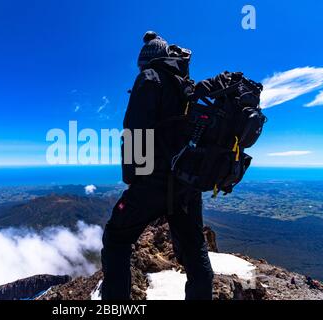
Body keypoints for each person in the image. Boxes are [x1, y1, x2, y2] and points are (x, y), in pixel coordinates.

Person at [101, 31, 214, 300]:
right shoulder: (185, 84)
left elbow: (134, 131)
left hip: (155, 181)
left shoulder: (149, 78)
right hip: (187, 183)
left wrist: (132, 177)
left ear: (147, 60)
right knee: (194, 245)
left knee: (116, 239)